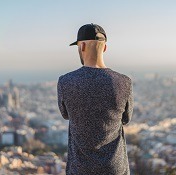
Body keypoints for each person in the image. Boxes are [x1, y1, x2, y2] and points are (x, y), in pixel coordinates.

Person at [57, 23, 134, 175]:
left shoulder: (66, 82)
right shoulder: (124, 82)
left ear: (82, 47)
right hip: (114, 168)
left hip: (80, 168)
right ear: (105, 48)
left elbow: (66, 115)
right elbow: (126, 118)